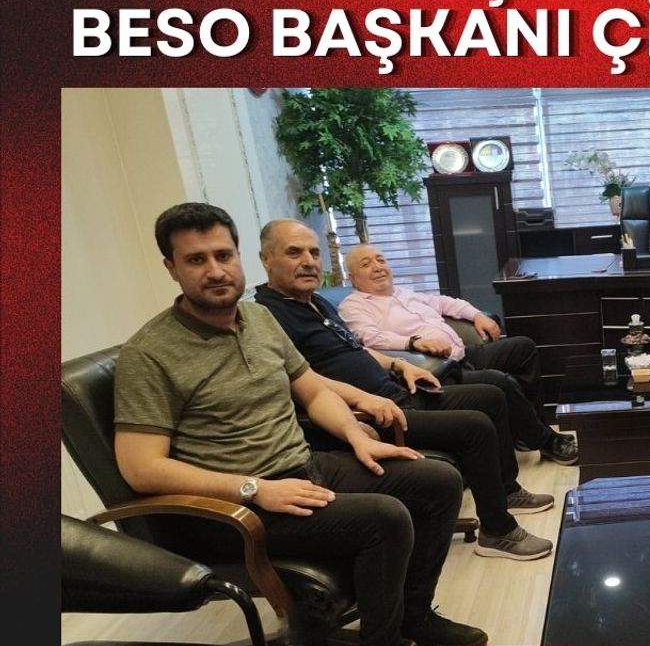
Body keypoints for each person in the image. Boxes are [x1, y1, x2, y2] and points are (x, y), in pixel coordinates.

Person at [113, 203, 487, 646]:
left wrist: (356, 437)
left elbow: (313, 391)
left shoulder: (259, 319)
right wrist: (255, 489)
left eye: (223, 255)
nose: (215, 271)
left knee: (438, 480)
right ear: (171, 268)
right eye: (196, 260)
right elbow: (141, 468)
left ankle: (414, 617)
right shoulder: (149, 354)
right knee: (385, 518)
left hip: (303, 467)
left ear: (239, 257)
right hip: (237, 508)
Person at [253, 219, 554, 561]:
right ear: (266, 259)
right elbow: (302, 381)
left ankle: (507, 490)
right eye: (294, 253)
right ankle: (497, 531)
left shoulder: (317, 303)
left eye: (313, 252)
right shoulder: (267, 316)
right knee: (476, 426)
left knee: (492, 395)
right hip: (371, 414)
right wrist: (365, 400)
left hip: (395, 391)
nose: (308, 261)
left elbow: (358, 349)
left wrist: (399, 365)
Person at [338, 243, 578, 465]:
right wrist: (414, 343)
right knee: (500, 382)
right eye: (366, 264)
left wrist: (478, 316)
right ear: (353, 277)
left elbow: (446, 303)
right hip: (435, 371)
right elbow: (368, 338)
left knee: (522, 348)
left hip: (463, 355)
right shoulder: (353, 305)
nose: (377, 267)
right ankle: (546, 441)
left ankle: (528, 432)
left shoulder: (403, 293)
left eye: (380, 260)